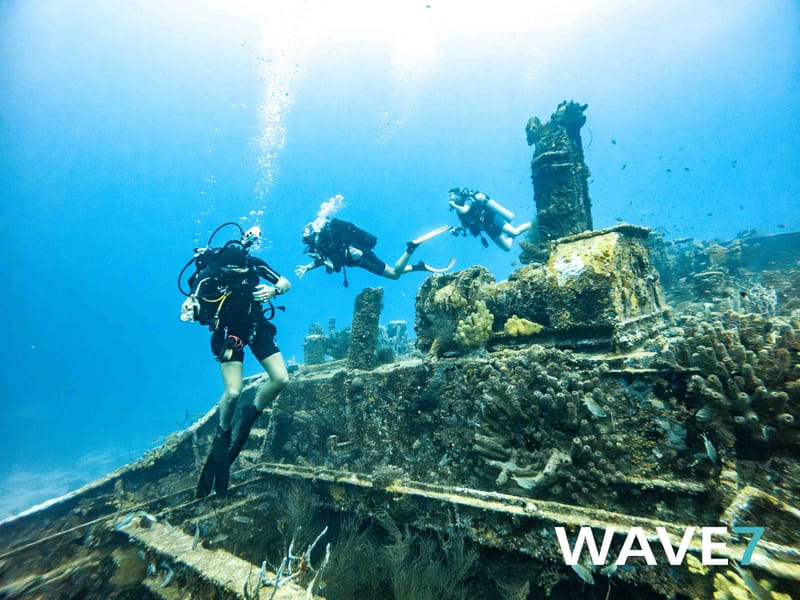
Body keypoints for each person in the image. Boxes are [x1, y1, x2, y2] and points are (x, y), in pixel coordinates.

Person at [179, 223, 291, 498]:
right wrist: (190, 306)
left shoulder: (253, 264)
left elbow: (285, 282)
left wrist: (274, 291)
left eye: (241, 272)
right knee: (232, 391)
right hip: (229, 333)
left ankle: (249, 415)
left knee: (281, 379)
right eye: (231, 272)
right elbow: (192, 299)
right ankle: (223, 432)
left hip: (257, 326)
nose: (237, 276)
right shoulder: (209, 274)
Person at [295, 217, 455, 286]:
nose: (309, 243)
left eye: (309, 240)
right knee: (395, 273)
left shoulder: (328, 244)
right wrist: (308, 267)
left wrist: (321, 262)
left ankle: (411, 248)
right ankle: (419, 266)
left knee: (394, 275)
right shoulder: (326, 243)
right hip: (358, 258)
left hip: (362, 258)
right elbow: (327, 262)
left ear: (315, 235)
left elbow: (334, 268)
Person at [448, 187, 531, 251]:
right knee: (507, 247)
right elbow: (464, 226)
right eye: (449, 196)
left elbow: (464, 209)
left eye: (451, 195)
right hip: (487, 227)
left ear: (458, 194)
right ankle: (510, 235)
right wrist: (456, 229)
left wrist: (453, 205)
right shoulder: (458, 212)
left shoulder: (468, 199)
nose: (450, 198)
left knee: (515, 232)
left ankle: (534, 223)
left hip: (492, 218)